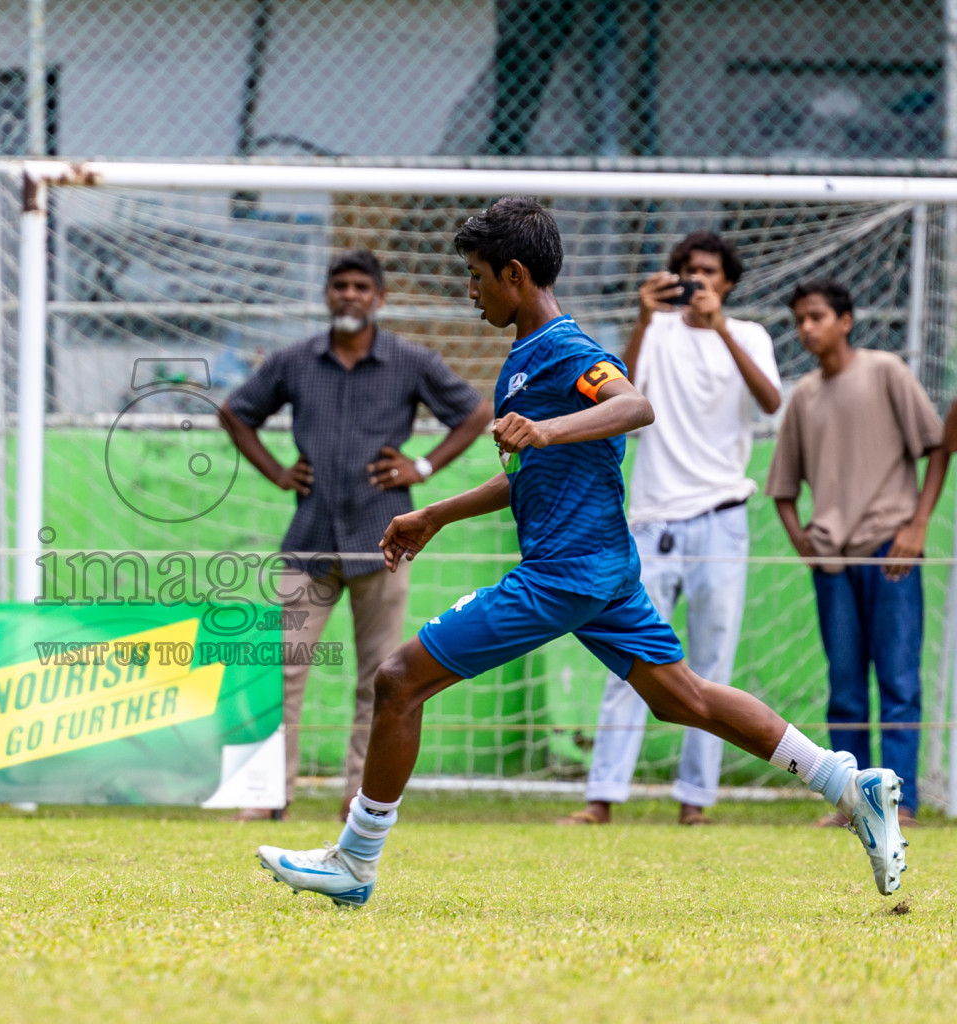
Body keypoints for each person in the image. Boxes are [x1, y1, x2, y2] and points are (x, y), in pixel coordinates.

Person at [255, 198, 908, 907]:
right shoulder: (522, 362)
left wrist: (546, 430)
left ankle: (355, 861)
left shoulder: (566, 350)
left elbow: (634, 405)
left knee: (396, 679)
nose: (469, 291)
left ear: (514, 273)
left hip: (563, 576)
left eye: (476, 277)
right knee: (684, 698)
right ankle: (848, 783)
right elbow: (529, 475)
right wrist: (436, 513)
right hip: (606, 574)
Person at [219, 249, 491, 820]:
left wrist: (423, 466)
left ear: (380, 298)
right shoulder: (294, 361)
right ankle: (266, 795)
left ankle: (357, 797)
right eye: (339, 285)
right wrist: (276, 471)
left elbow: (474, 412)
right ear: (327, 294)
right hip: (309, 539)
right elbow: (234, 412)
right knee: (280, 667)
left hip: (383, 539)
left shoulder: (410, 360)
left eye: (361, 287)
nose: (349, 295)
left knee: (381, 676)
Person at [560, 232, 781, 827]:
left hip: (722, 518)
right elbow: (621, 397)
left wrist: (723, 330)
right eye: (687, 271)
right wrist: (642, 313)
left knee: (712, 665)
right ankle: (601, 797)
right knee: (630, 657)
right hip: (654, 518)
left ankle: (695, 802)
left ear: (727, 282)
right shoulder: (656, 330)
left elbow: (769, 402)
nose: (696, 281)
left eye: (707, 272)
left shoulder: (752, 335)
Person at [765, 279, 947, 828]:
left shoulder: (886, 370)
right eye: (799, 319)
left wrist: (917, 525)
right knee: (845, 689)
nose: (806, 328)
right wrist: (803, 542)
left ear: (846, 320)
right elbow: (783, 490)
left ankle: (903, 802)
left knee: (899, 683)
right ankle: (852, 804)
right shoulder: (803, 396)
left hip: (891, 552)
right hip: (833, 564)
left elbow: (937, 447)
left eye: (816, 316)